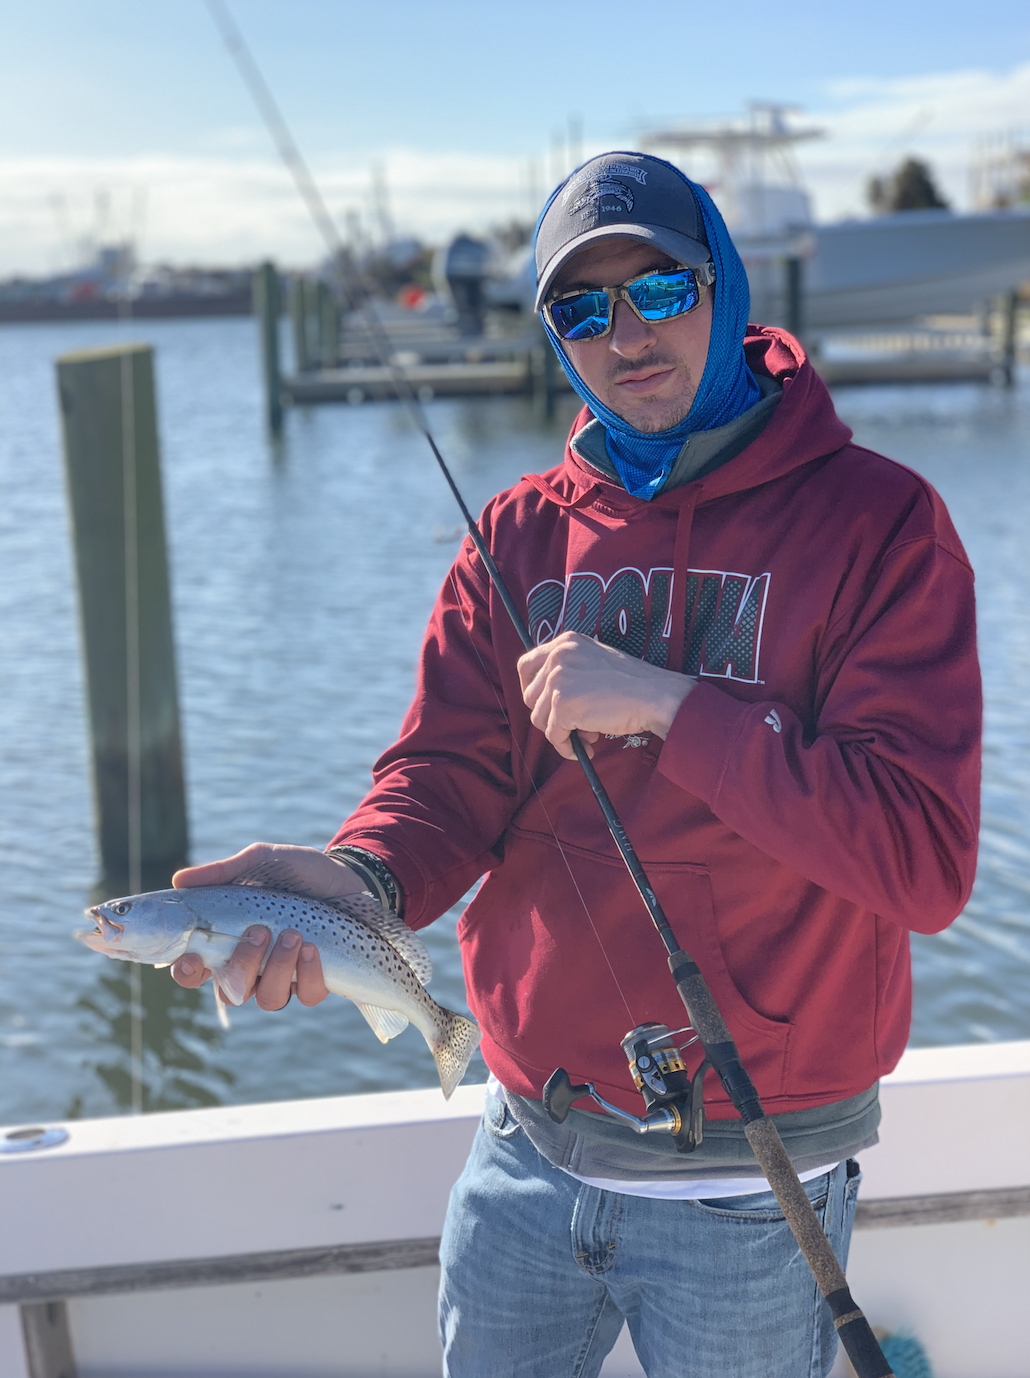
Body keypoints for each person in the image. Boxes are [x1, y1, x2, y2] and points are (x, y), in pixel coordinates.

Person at [172, 152, 981, 1377]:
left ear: (724, 285)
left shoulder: (880, 524)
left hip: (754, 1177)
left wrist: (674, 707)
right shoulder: (514, 532)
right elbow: (446, 777)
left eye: (657, 289)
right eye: (582, 308)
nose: (624, 337)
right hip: (525, 1146)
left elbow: (920, 861)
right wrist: (360, 881)